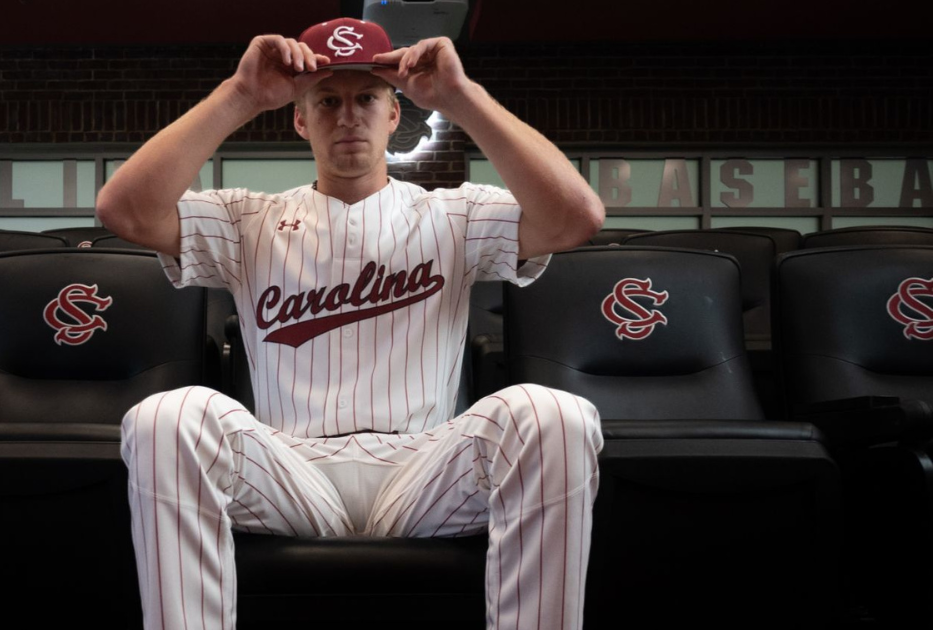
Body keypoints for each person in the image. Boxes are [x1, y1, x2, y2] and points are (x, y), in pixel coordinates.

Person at [96, 17, 606, 630]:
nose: (348, 116)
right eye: (327, 100)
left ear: (395, 116)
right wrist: (240, 95)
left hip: (423, 473)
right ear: (299, 118)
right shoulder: (247, 219)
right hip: (290, 471)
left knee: (557, 415)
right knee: (163, 417)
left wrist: (459, 96)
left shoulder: (456, 213)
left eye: (367, 97)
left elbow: (577, 216)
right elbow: (122, 209)